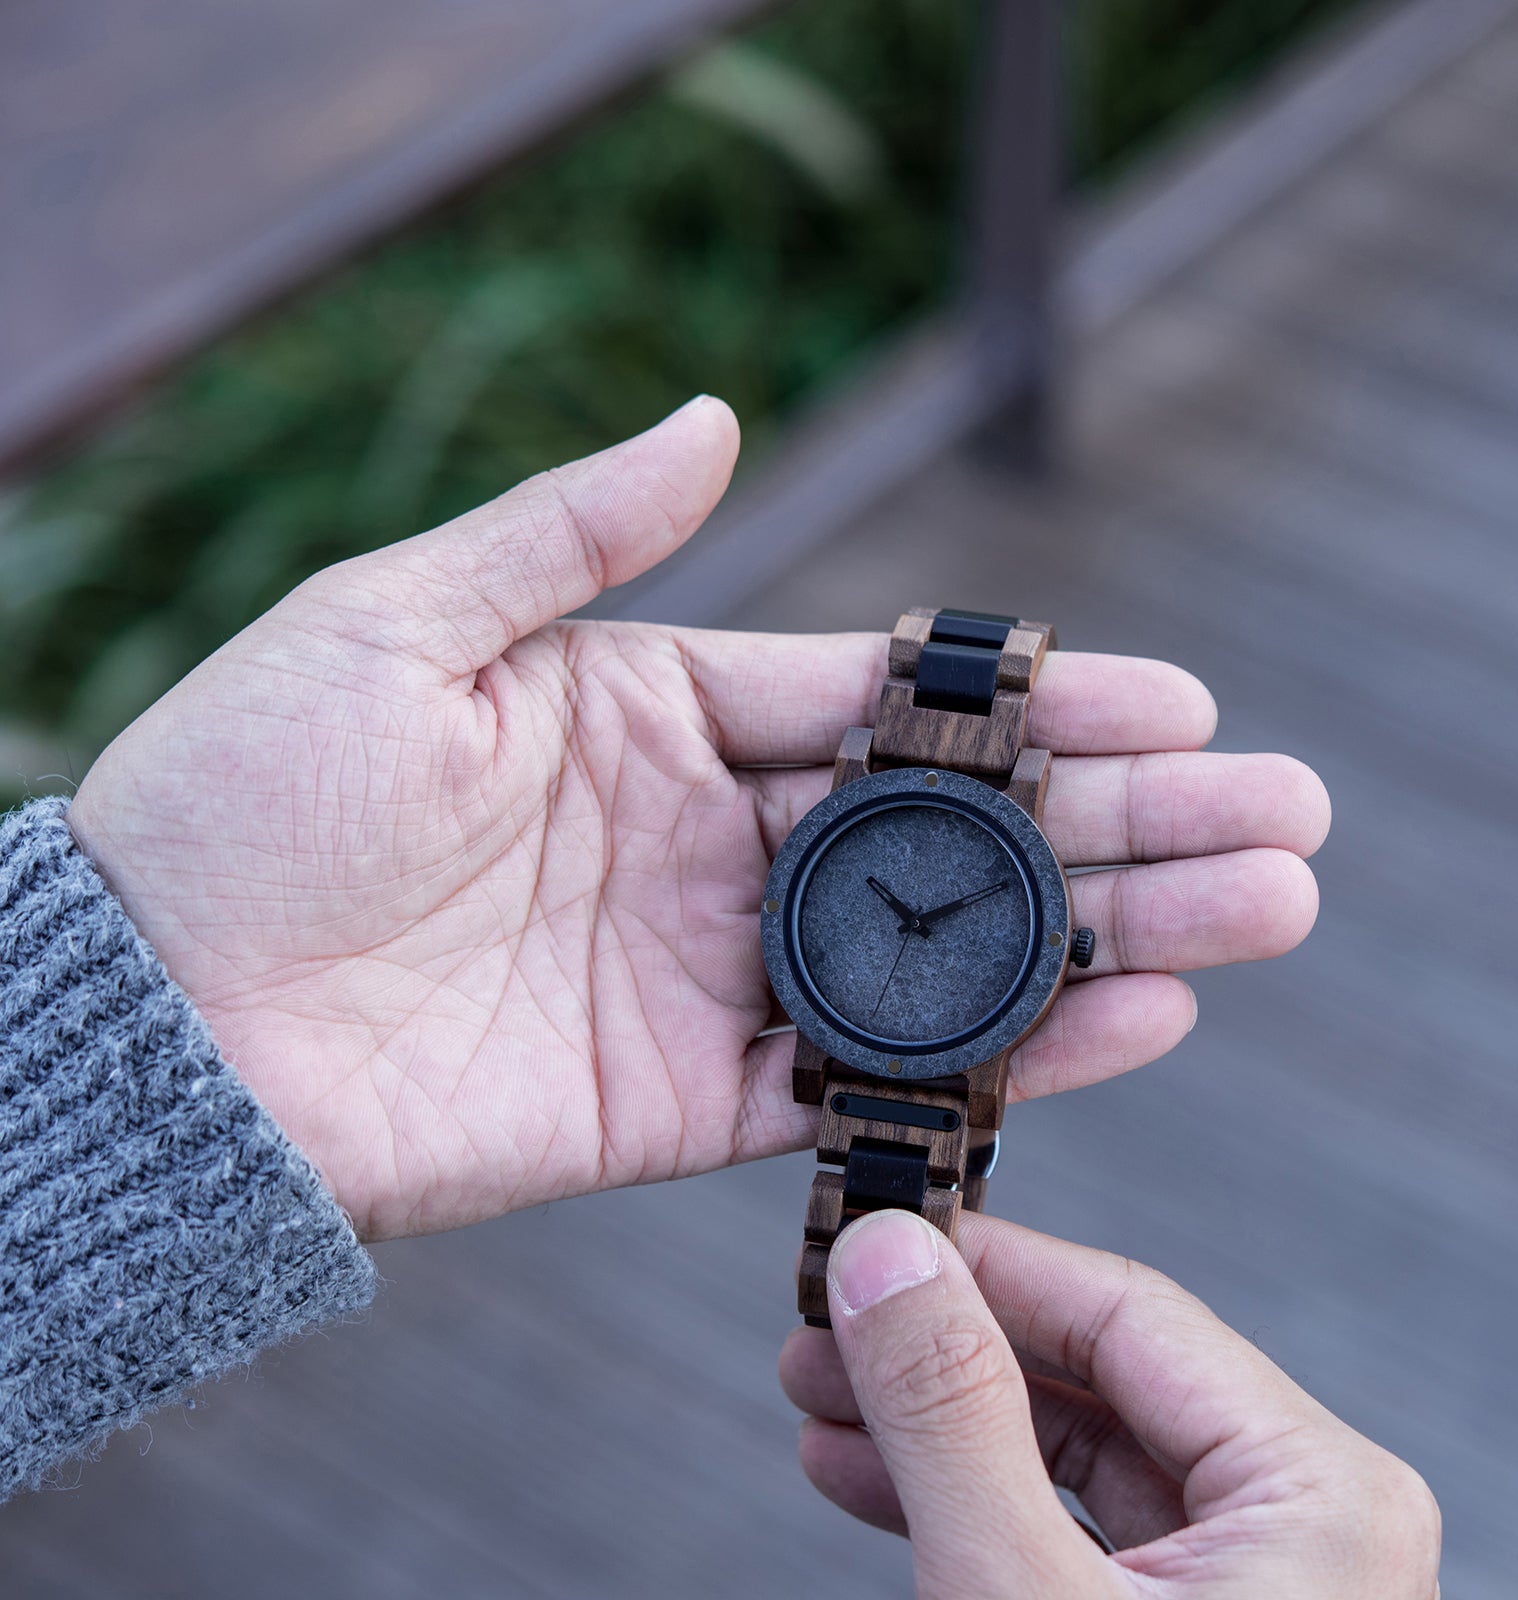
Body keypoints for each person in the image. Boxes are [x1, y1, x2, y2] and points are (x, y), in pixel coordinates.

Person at [0, 398, 1438, 1591]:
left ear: (1044, 954)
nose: (918, 913)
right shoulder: (874, 914)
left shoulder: (913, 925)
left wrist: (152, 988)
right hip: (879, 1015)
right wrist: (173, 962)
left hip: (900, 1017)